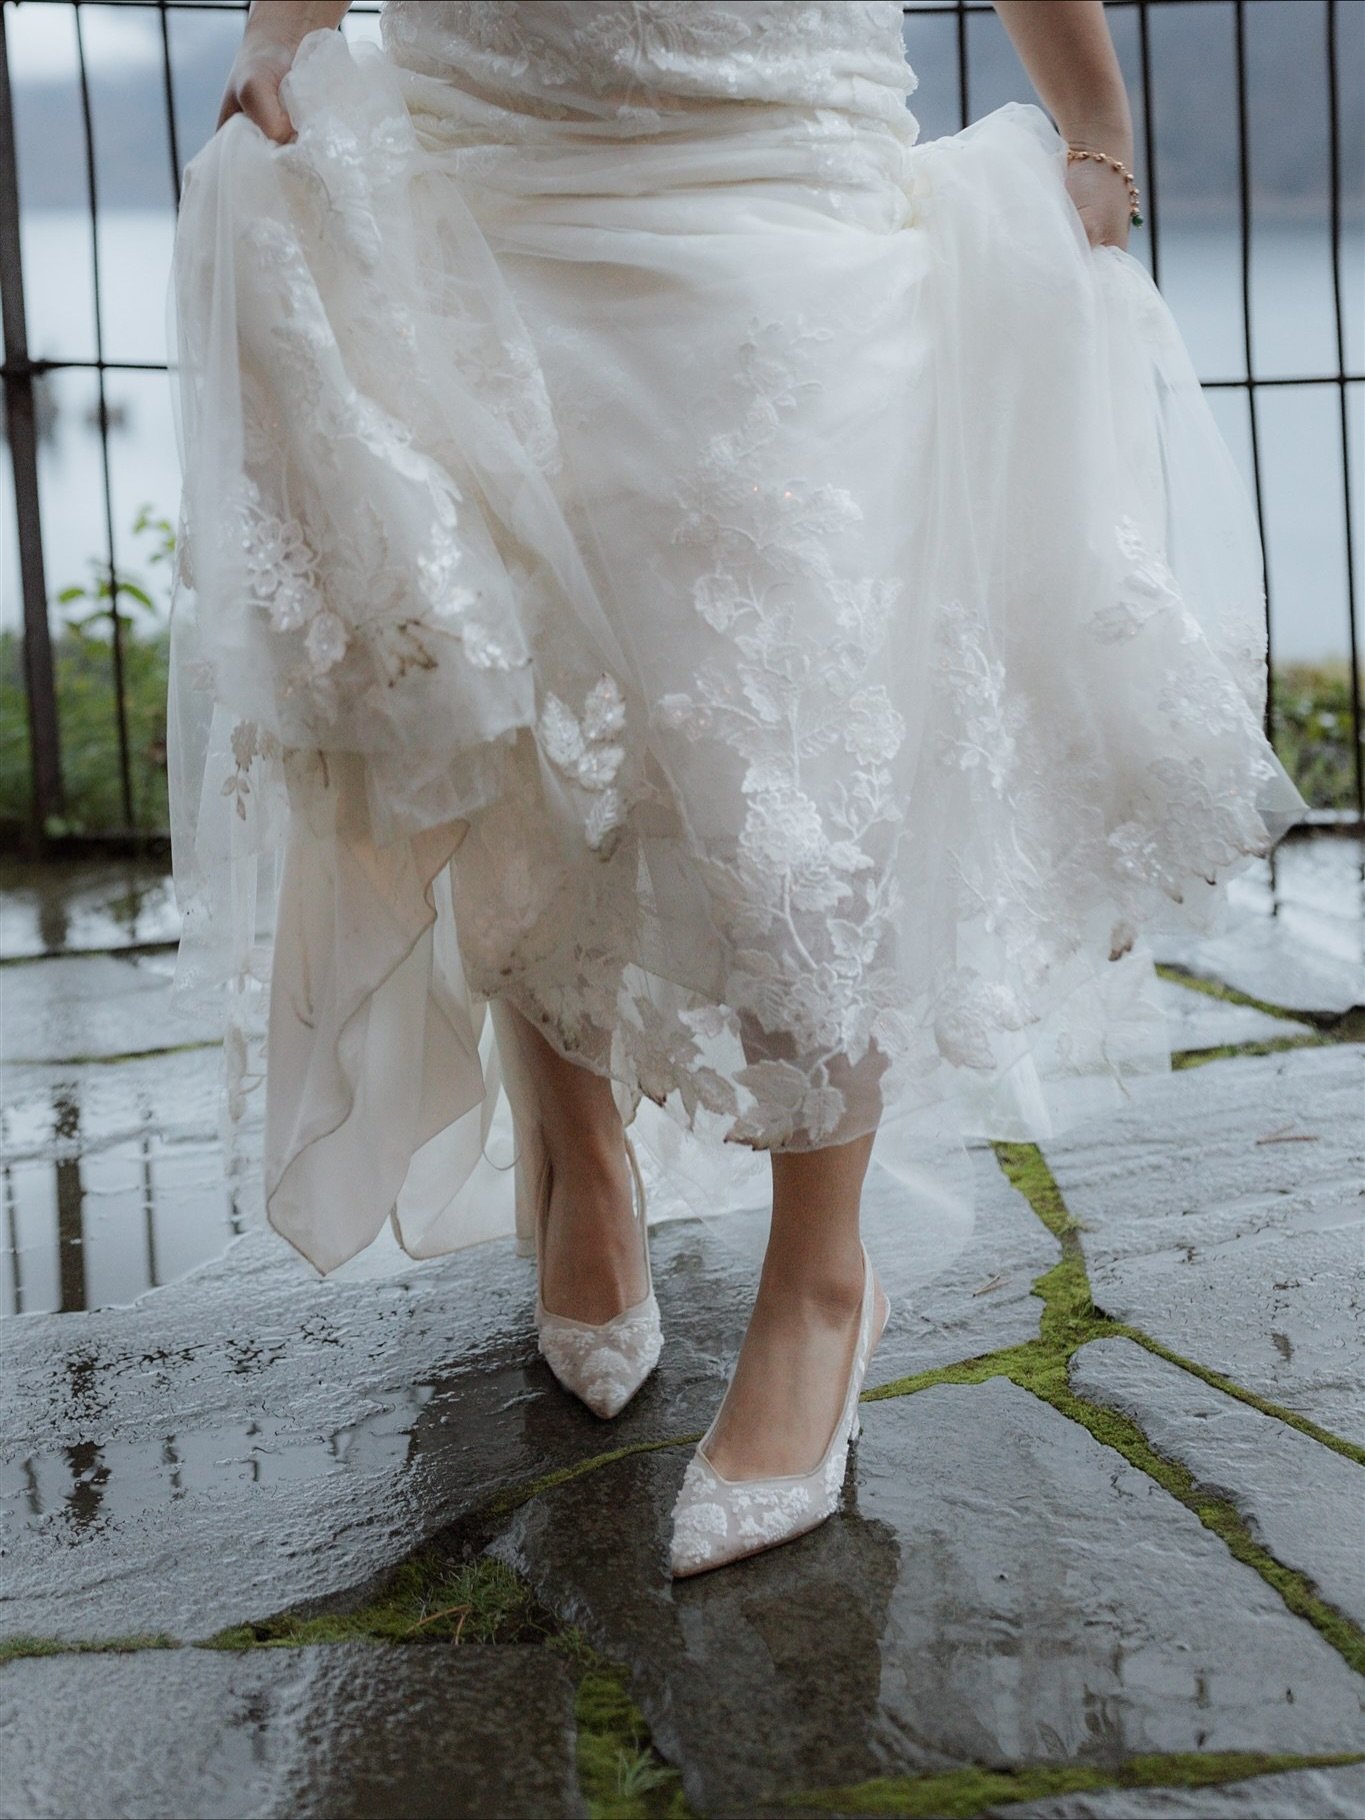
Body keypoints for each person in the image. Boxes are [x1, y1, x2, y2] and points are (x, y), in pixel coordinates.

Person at [170, 0, 1304, 1578]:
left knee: (798, 779)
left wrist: (1096, 128)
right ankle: (582, 1161)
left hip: (768, 161)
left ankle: (821, 1280)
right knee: (513, 709)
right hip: (470, 148)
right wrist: (282, 25)